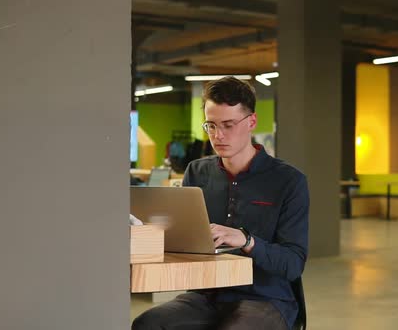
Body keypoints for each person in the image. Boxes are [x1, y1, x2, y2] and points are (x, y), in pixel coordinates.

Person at [132, 76, 309, 330]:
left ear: (252, 122)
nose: (218, 135)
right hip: (207, 296)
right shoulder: (196, 172)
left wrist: (246, 241)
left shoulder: (289, 181)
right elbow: (184, 242)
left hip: (266, 300)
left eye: (228, 124)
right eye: (211, 126)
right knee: (148, 323)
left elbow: (293, 263)